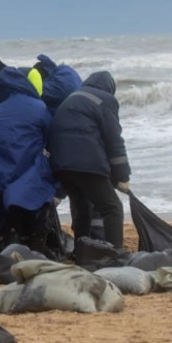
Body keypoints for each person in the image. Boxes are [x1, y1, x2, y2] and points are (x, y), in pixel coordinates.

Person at [46, 71, 130, 249]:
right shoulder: (105, 99)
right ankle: (115, 254)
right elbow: (113, 140)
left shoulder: (72, 98)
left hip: (61, 165)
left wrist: (59, 190)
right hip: (87, 164)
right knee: (112, 208)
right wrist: (122, 176)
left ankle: (82, 251)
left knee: (81, 208)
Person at [0, 66, 58, 256]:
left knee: (11, 223)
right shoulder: (39, 109)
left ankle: (11, 248)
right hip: (30, 178)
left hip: (0, 179)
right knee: (39, 206)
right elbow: (51, 141)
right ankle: (37, 248)